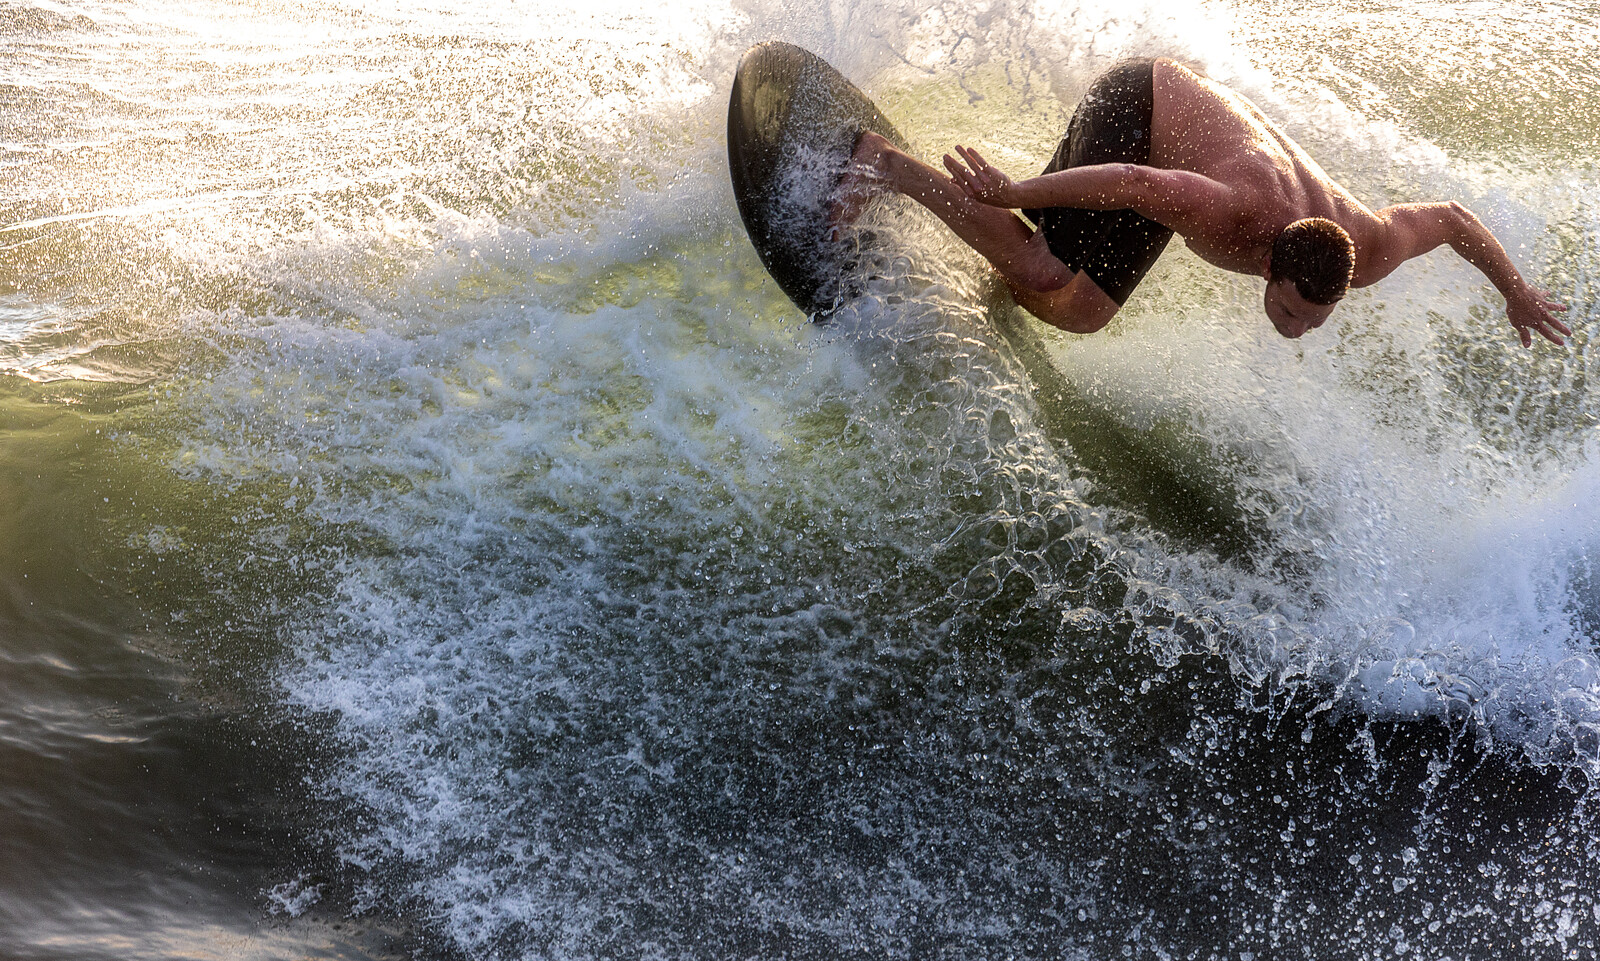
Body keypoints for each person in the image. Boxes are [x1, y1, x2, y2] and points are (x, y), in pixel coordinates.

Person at [832, 57, 1570, 347]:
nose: (1295, 330)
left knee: (1082, 311)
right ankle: (884, 164)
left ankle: (1003, 253)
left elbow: (1449, 220)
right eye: (1287, 311)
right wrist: (1013, 190)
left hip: (1178, 157)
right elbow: (1135, 183)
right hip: (1138, 111)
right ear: (1269, 261)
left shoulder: (1365, 250)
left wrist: (1514, 291)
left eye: (1311, 320)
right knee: (1051, 271)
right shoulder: (1238, 215)